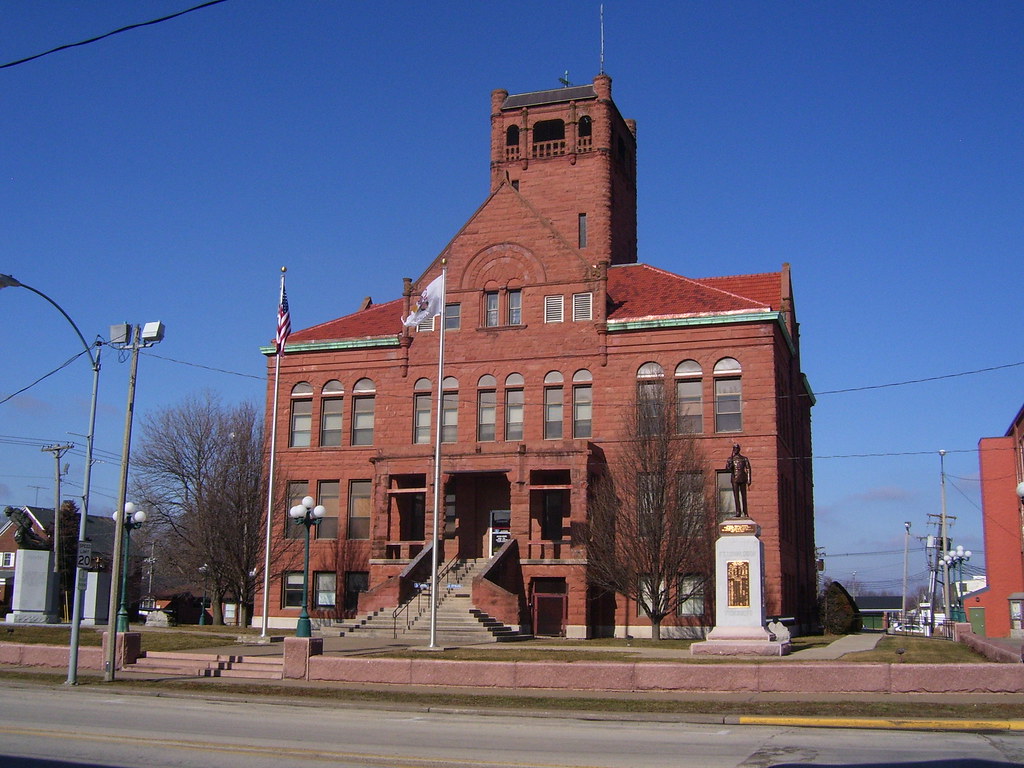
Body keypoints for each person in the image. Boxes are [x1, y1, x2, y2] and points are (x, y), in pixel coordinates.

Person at [724, 444, 751, 518]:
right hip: (734, 479)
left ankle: (745, 512)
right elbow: (727, 469)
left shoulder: (744, 458)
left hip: (742, 478)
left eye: (736, 448)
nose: (735, 450)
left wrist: (749, 479)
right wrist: (730, 463)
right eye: (734, 449)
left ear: (739, 449)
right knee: (736, 496)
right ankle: (738, 512)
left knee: (743, 496)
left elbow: (748, 468)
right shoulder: (730, 459)